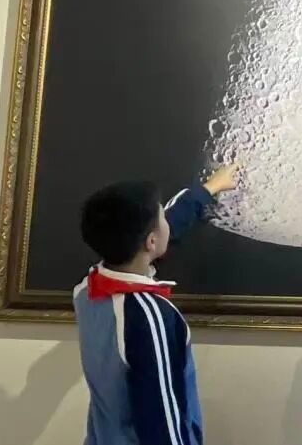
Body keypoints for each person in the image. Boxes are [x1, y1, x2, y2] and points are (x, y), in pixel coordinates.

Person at [74, 166, 238, 445]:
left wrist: (208, 190)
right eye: (162, 217)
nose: (167, 222)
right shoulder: (149, 317)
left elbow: (160, 235)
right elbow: (162, 417)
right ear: (150, 241)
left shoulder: (87, 289)